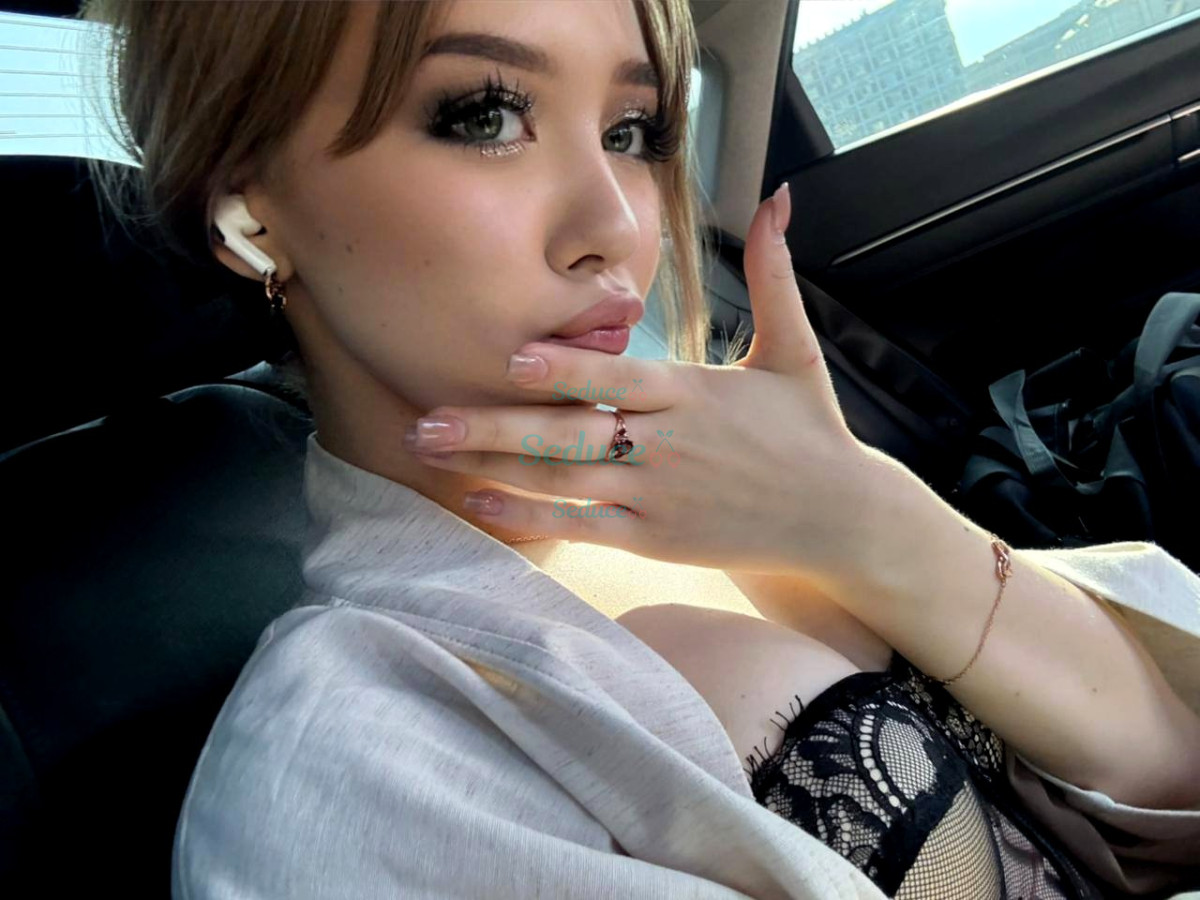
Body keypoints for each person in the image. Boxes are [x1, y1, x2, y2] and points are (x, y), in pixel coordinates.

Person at [77, 1, 1200, 898]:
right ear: (250, 208)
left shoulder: (748, 473)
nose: (620, 225)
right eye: (484, 115)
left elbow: (1174, 782)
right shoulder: (345, 768)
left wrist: (870, 518)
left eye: (631, 133)